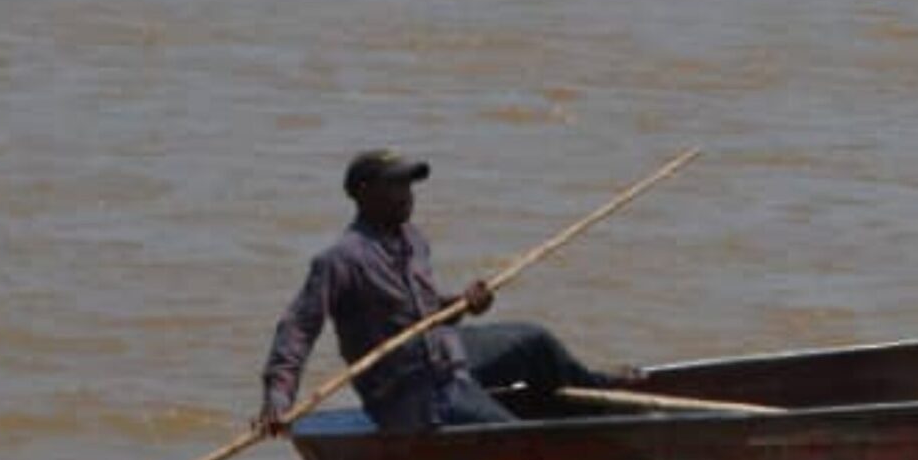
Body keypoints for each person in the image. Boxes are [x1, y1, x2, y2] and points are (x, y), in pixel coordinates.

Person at [256, 149, 642, 436]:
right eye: (395, 184)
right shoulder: (340, 260)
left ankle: (598, 395)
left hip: (448, 354)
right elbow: (297, 330)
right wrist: (278, 402)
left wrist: (462, 304)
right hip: (414, 391)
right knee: (517, 437)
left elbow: (426, 314)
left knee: (534, 341)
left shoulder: (413, 240)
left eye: (409, 184)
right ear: (362, 193)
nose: (407, 194)